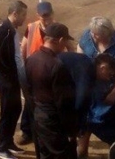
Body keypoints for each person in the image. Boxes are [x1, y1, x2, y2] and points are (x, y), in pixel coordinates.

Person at [75, 18, 115, 157]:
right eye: (92, 34)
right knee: (84, 130)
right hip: (90, 95)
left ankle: (114, 154)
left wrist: (113, 95)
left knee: (113, 135)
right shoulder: (88, 35)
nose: (93, 36)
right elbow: (80, 46)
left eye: (97, 35)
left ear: (108, 34)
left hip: (111, 97)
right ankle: (81, 154)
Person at [25, 23, 78, 159]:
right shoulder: (57, 66)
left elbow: (28, 89)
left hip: (37, 116)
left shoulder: (31, 59)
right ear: (60, 40)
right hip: (54, 120)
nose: (66, 44)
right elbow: (63, 102)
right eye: (66, 41)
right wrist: (71, 130)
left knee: (44, 154)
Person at [0, 0, 29, 159]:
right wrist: (8, 74)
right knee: (7, 112)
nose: (24, 19)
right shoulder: (3, 30)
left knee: (15, 109)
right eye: (23, 15)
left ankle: (8, 142)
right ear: (15, 14)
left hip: (13, 79)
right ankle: (1, 148)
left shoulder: (12, 30)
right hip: (6, 80)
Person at [19, 1, 57, 145]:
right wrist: (25, 66)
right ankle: (27, 132)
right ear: (38, 16)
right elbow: (23, 47)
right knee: (29, 101)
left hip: (50, 72)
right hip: (33, 70)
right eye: (43, 16)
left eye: (47, 16)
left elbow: (67, 46)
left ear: (52, 14)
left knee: (47, 102)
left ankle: (45, 133)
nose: (45, 19)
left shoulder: (57, 28)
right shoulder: (31, 27)